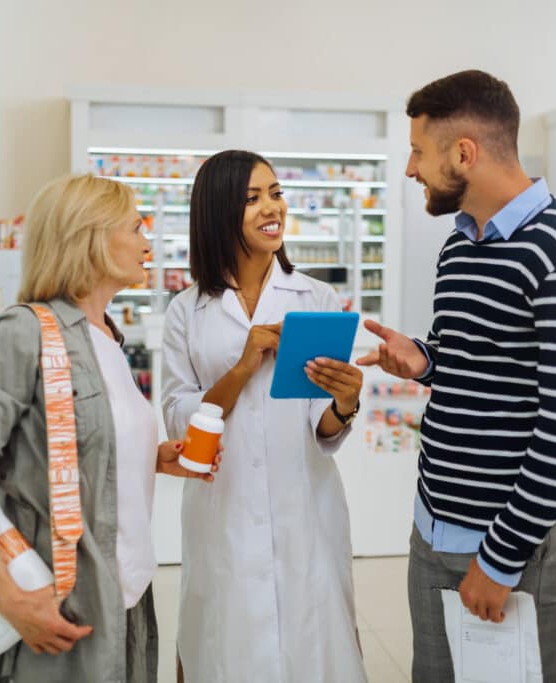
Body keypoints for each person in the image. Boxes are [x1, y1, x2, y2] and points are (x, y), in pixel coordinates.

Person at [357, 70, 556, 683]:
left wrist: (500, 559)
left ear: (464, 152)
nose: (411, 169)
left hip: (515, 544)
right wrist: (425, 359)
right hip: (435, 522)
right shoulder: (460, 245)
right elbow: (472, 358)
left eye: (418, 152)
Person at [0, 173, 218, 683]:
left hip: (129, 596)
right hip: (60, 604)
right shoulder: (22, 333)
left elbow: (86, 446)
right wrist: (8, 596)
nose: (147, 241)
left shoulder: (108, 337)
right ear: (90, 237)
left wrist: (155, 458)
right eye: (135, 227)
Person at [161, 150, 368, 682]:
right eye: (252, 198)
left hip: (305, 505)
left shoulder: (316, 298)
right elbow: (180, 421)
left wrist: (345, 403)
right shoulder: (187, 310)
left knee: (313, 647)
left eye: (275, 193)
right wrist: (242, 367)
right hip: (223, 509)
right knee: (226, 649)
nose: (271, 208)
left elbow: (321, 425)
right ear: (217, 211)